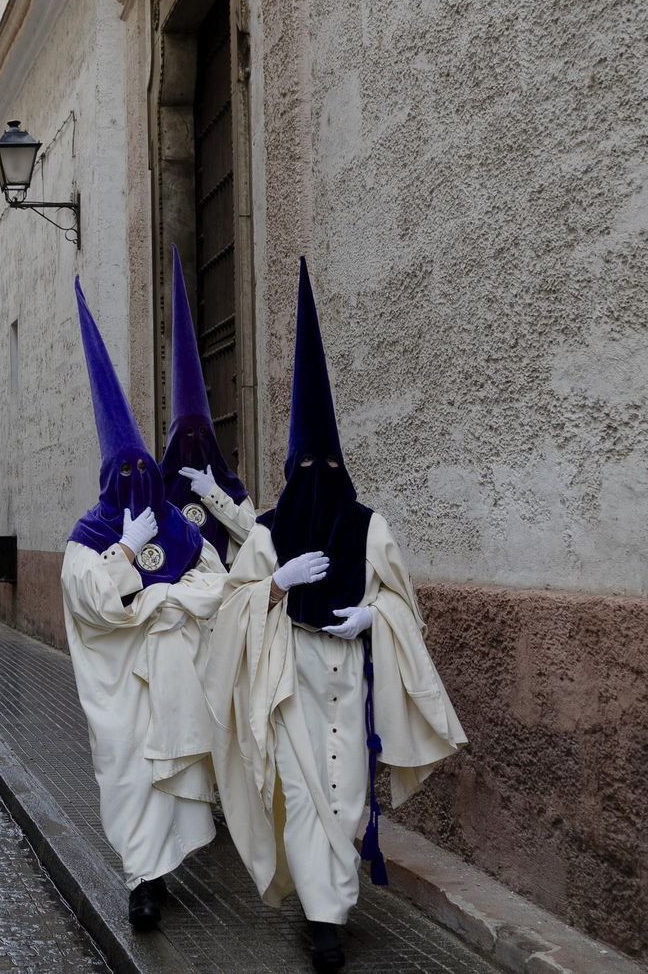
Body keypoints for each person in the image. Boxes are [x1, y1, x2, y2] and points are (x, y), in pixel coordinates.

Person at [206, 261, 466, 973]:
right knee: (300, 794)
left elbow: (401, 603)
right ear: (292, 470)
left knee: (346, 800)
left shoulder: (369, 527)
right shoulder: (263, 534)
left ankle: (332, 906)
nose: (318, 480)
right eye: (306, 466)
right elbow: (231, 611)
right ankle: (326, 924)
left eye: (330, 465)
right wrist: (275, 586)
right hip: (289, 680)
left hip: (348, 680)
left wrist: (371, 617)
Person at [60, 278, 227, 930]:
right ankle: (140, 879)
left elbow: (215, 580)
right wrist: (126, 553)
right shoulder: (91, 537)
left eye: (143, 475)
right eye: (122, 477)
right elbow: (88, 597)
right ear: (108, 481)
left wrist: (166, 599)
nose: (135, 486)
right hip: (122, 688)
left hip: (173, 677)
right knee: (130, 777)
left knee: (172, 780)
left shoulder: (182, 528)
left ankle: (158, 879)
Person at [160, 246, 257, 563]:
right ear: (173, 439)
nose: (194, 440)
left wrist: (214, 493)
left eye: (202, 432)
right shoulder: (155, 486)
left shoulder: (230, 485)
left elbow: (252, 536)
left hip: (225, 600)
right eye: (186, 434)